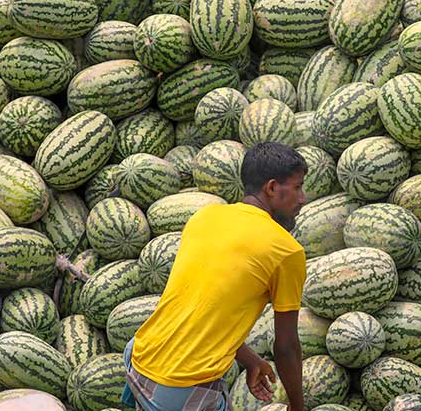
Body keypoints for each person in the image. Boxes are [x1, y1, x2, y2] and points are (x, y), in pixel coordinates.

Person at [121, 141, 309, 411]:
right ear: (271, 188)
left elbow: (202, 309)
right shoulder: (286, 251)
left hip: (139, 356)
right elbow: (286, 346)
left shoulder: (205, 216)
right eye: (298, 187)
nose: (303, 199)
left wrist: (252, 361)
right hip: (181, 383)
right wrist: (297, 406)